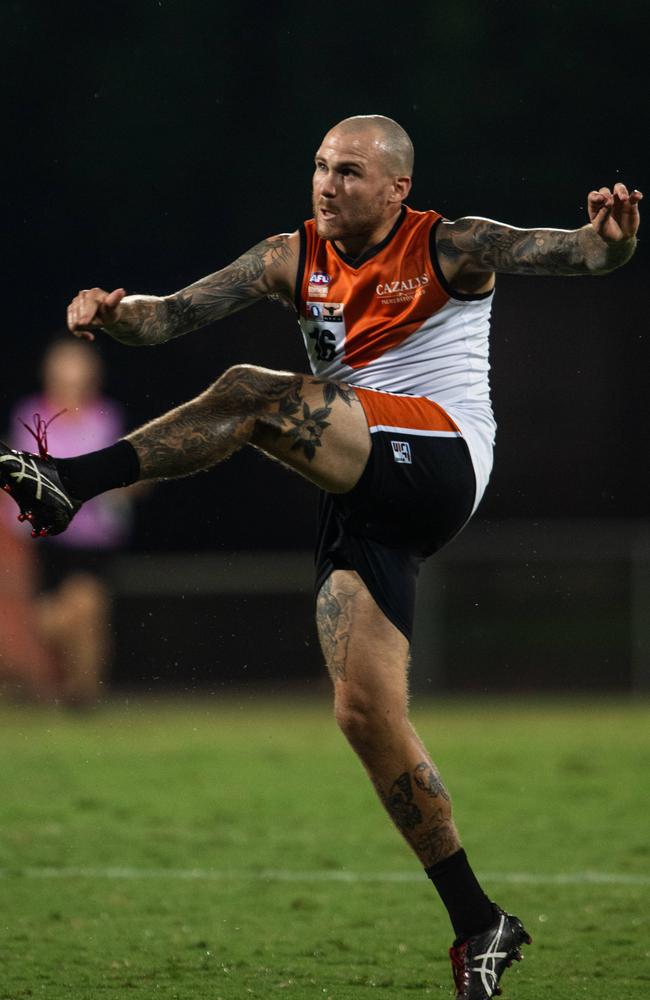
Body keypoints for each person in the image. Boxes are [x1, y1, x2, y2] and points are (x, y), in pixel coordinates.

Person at [0, 115, 641, 999]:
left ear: (395, 190)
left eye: (347, 171)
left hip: (442, 457)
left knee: (248, 394)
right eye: (318, 167)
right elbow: (171, 316)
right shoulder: (285, 257)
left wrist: (608, 243)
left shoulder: (452, 244)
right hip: (367, 485)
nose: (325, 184)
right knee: (365, 714)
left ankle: (69, 480)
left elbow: (574, 255)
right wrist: (116, 317)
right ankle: (479, 921)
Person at [3, 338, 135, 700]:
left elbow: (124, 473)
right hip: (46, 538)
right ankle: (69, 690)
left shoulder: (105, 417)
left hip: (95, 539)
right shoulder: (32, 413)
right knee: (60, 616)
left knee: (88, 606)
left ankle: (83, 695)